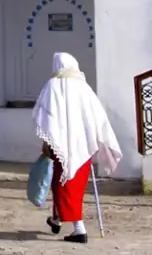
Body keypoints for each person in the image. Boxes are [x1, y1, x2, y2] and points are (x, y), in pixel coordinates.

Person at [33, 52, 122, 244]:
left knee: (64, 186)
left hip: (61, 145)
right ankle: (56, 219)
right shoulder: (84, 87)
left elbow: (47, 118)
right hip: (83, 145)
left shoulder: (52, 86)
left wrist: (47, 142)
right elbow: (97, 117)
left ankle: (79, 230)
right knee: (68, 185)